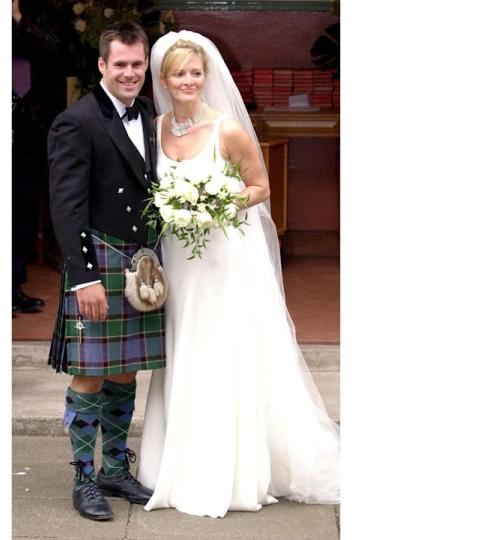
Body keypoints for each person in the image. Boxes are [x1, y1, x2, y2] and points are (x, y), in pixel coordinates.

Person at [136, 31, 341, 518]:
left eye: (196, 72)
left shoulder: (227, 129)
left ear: (206, 77)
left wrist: (214, 202)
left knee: (219, 348)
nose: (189, 81)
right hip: (179, 261)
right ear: (163, 80)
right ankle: (173, 460)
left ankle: (227, 469)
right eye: (179, 73)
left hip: (221, 257)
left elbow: (260, 186)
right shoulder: (156, 128)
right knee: (181, 347)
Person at [46, 22, 164, 521]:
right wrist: (84, 277)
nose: (130, 73)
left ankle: (114, 466)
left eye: (137, 65)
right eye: (121, 64)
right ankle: (83, 477)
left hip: (140, 265)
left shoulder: (152, 118)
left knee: (122, 371)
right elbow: (66, 206)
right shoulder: (78, 121)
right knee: (89, 374)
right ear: (101, 65)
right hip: (99, 260)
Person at [12, 0, 61, 314]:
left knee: (21, 214)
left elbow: (53, 52)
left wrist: (17, 17)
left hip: (26, 131)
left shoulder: (39, 11)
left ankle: (12, 288)